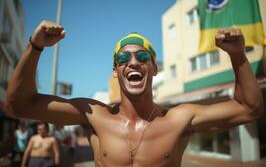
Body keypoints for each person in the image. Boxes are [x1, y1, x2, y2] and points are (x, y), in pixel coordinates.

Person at [5, 20, 264, 167]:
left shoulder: (178, 119)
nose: (133, 62)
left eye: (142, 56)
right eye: (123, 59)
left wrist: (237, 54)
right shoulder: (94, 115)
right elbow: (19, 105)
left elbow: (249, 109)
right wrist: (35, 46)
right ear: (116, 71)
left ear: (154, 68)